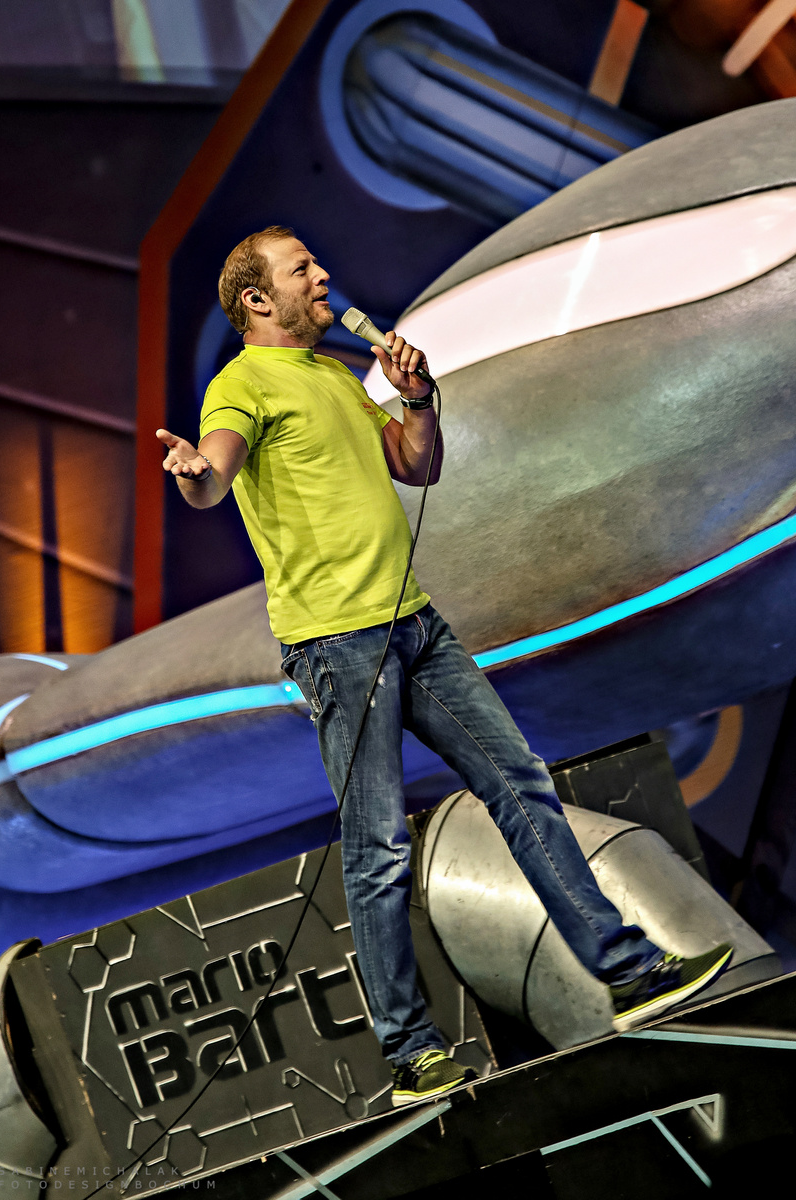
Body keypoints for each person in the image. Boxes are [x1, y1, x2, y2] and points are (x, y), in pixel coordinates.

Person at [157, 226, 732, 1107]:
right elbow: (212, 476)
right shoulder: (241, 386)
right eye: (302, 269)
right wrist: (194, 473)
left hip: (415, 626)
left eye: (317, 262)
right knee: (380, 848)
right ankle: (410, 1056)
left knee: (520, 783)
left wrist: (417, 400)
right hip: (339, 648)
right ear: (257, 301)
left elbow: (414, 466)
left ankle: (628, 973)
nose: (323, 276)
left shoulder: (332, 376)